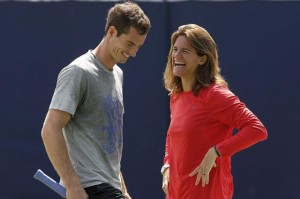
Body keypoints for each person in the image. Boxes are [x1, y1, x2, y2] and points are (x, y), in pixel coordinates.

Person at [41, 2, 151, 199]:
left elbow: (109, 140)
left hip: (110, 187)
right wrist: (73, 185)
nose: (133, 53)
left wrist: (122, 188)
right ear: (111, 31)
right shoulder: (78, 72)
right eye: (129, 44)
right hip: (89, 187)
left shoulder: (118, 74)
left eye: (138, 47)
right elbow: (50, 128)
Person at [161, 24, 268, 199]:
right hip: (176, 193)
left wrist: (216, 152)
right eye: (175, 50)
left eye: (185, 51)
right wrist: (167, 166)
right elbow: (173, 135)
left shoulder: (216, 95)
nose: (176, 56)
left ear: (202, 59)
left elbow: (257, 129)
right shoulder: (176, 95)